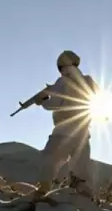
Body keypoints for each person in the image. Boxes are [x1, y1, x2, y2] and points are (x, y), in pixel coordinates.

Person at [35, 50, 98, 193]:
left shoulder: (62, 81)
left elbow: (55, 104)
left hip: (62, 131)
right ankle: (82, 197)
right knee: (80, 170)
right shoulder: (88, 80)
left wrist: (43, 101)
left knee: (49, 160)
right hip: (82, 133)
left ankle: (43, 192)